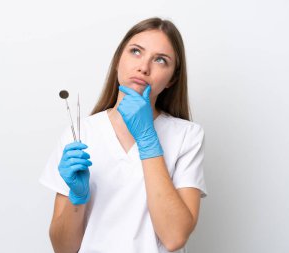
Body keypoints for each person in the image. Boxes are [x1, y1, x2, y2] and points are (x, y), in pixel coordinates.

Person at [39, 17, 208, 253]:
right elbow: (63, 249)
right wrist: (77, 198)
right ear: (118, 60)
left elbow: (174, 237)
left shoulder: (187, 136)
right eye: (136, 52)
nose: (144, 67)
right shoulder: (80, 134)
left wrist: (147, 138)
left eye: (160, 60)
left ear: (172, 79)